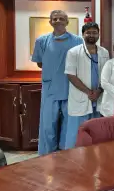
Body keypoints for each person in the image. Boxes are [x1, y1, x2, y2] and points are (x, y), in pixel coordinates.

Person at [31, 10, 83, 155]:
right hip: (50, 88)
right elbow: (40, 63)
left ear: (67, 22)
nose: (58, 21)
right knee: (48, 124)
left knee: (70, 123)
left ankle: (67, 153)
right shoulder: (42, 41)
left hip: (71, 87)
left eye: (61, 19)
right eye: (55, 19)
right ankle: (46, 155)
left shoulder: (77, 41)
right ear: (50, 22)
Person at [64, 22, 110, 149]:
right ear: (83, 34)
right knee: (76, 133)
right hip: (82, 96)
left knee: (96, 132)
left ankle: (93, 160)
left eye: (94, 32)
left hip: (98, 97)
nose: (91, 35)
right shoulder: (73, 52)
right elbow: (70, 75)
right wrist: (89, 92)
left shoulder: (104, 52)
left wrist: (99, 91)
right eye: (88, 32)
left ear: (98, 34)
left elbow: (108, 74)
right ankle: (72, 160)